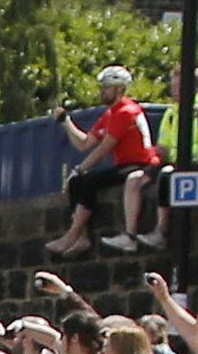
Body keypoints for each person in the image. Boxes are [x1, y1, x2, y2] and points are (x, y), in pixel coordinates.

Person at [51, 65, 160, 252]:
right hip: (125, 164)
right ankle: (81, 238)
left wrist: (79, 169)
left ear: (119, 88)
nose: (102, 91)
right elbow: (84, 143)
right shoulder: (111, 114)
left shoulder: (126, 111)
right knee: (77, 182)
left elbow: (104, 148)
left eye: (107, 87)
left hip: (140, 164)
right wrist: (66, 122)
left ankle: (73, 234)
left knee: (89, 181)